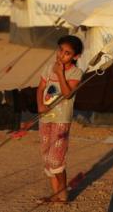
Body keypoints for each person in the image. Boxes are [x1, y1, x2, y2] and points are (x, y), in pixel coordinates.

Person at [36, 35, 84, 203]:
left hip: (61, 120)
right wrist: (40, 106)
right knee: (46, 157)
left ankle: (63, 194)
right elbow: (41, 87)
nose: (62, 55)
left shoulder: (76, 72)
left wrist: (60, 73)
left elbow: (67, 93)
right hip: (45, 118)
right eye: (60, 50)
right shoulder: (49, 67)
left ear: (75, 57)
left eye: (67, 53)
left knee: (55, 159)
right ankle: (56, 194)